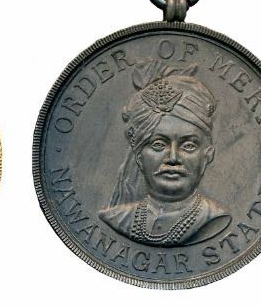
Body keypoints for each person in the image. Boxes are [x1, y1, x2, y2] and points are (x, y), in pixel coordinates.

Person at [99, 64, 231, 246]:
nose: (173, 158)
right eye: (159, 145)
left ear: (207, 156)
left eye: (188, 146)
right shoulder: (117, 218)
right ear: (139, 156)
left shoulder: (215, 219)